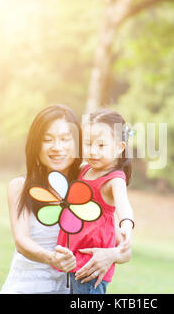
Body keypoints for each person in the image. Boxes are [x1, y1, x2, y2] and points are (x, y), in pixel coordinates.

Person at [0, 104, 131, 294]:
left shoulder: (88, 183)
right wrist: (51, 258)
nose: (57, 147)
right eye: (47, 140)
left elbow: (125, 248)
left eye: (65, 139)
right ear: (36, 144)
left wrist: (109, 255)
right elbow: (21, 241)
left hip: (69, 288)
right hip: (26, 286)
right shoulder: (20, 186)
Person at [57, 109, 135, 294]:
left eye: (101, 145)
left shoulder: (114, 178)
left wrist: (126, 224)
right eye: (88, 144)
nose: (93, 151)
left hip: (91, 264)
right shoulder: (84, 169)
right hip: (73, 258)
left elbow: (124, 205)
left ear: (119, 147)